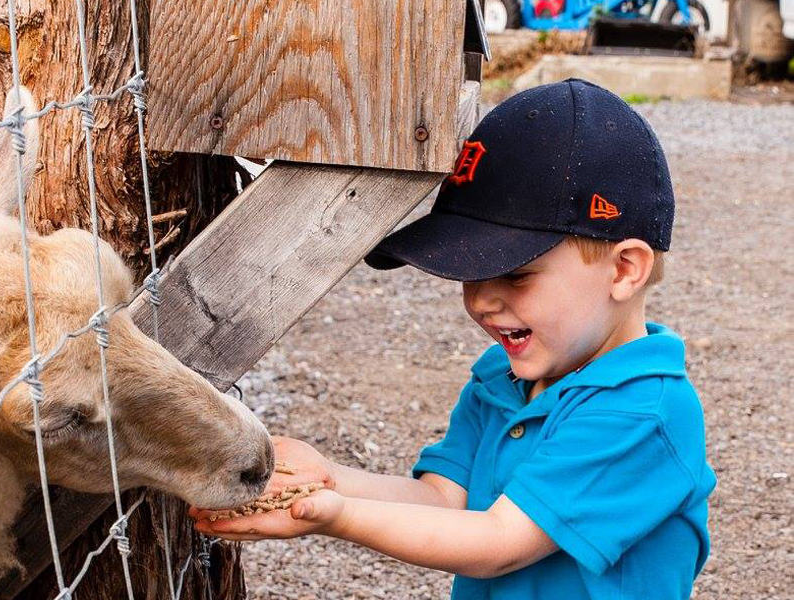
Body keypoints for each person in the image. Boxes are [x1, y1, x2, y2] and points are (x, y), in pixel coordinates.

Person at [191, 79, 717, 599]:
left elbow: (500, 541)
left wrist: (336, 515)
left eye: (515, 274)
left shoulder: (642, 411)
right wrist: (329, 477)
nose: (481, 302)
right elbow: (444, 499)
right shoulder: (501, 379)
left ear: (625, 269)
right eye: (470, 273)